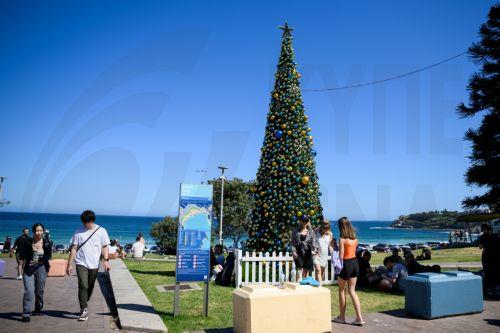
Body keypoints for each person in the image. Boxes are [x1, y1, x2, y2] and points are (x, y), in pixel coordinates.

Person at [67, 210, 111, 321]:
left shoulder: (101, 231)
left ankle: (84, 302)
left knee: (90, 287)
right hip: (81, 263)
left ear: (92, 220)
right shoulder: (78, 232)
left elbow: (104, 247)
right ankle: (84, 309)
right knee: (83, 285)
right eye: (84, 222)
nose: (86, 224)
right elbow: (74, 249)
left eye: (88, 222)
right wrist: (69, 264)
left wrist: (106, 260)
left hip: (94, 264)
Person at [18, 223, 52, 322]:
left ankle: (38, 308)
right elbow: (21, 255)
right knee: (29, 290)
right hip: (29, 269)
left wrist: (42, 258)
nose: (39, 232)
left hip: (41, 268)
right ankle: (26, 313)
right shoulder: (27, 242)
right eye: (37, 230)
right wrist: (29, 253)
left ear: (43, 231)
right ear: (33, 231)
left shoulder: (47, 242)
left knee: (39, 291)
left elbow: (49, 255)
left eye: (41, 230)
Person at [333, 217, 364, 326]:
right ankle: (359, 318)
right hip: (355, 263)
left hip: (346, 264)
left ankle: (341, 317)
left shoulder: (342, 239)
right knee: (352, 291)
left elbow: (341, 256)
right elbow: (352, 251)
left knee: (341, 291)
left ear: (341, 226)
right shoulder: (355, 239)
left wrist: (334, 248)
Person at [291, 215, 318, 281]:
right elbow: (292, 242)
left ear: (308, 221)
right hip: (298, 252)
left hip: (308, 252)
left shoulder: (311, 231)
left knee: (306, 270)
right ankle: (297, 284)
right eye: (303, 220)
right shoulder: (296, 231)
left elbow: (314, 242)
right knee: (299, 270)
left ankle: (303, 284)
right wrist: (293, 251)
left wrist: (314, 250)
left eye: (306, 220)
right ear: (300, 221)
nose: (305, 222)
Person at [478, 223, 498, 295]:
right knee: (495, 271)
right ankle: (495, 286)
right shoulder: (495, 236)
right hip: (495, 256)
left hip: (486, 256)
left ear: (483, 229)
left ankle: (487, 288)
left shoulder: (483, 237)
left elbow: (480, 247)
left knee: (487, 271)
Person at [313, 219, 333, 284]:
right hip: (316, 255)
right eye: (324, 227)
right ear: (321, 226)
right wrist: (324, 222)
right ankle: (320, 287)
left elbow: (330, 245)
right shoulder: (316, 232)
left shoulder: (330, 235)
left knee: (321, 274)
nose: (326, 229)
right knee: (318, 270)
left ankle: (317, 287)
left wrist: (333, 254)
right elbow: (313, 231)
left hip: (324, 256)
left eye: (327, 227)